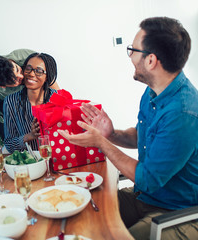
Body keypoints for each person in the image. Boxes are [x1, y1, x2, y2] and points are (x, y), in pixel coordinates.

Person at [58, 17, 198, 239]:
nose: (130, 56)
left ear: (151, 60)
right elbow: (142, 136)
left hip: (176, 210)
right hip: (145, 196)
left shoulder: (183, 112)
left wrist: (102, 144)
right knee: (80, 214)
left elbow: (148, 179)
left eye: (132, 50)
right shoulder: (154, 91)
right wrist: (111, 135)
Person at [0, 49, 59, 147]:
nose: (21, 76)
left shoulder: (26, 57)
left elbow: (53, 85)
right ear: (3, 86)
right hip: (1, 100)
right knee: (10, 137)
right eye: (15, 80)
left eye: (18, 70)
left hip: (31, 96)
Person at [3, 52, 58, 153]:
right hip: (29, 161)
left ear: (47, 76)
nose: (31, 74)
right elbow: (9, 144)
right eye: (28, 68)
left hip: (55, 157)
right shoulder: (11, 101)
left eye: (39, 71)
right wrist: (30, 136)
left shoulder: (57, 99)